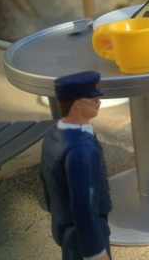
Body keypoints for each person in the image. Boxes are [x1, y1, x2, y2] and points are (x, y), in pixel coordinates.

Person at [40, 71, 112, 260]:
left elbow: (46, 182)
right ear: (78, 105)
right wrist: (95, 253)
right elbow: (84, 206)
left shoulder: (52, 135)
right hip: (86, 234)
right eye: (94, 100)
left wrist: (58, 216)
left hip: (65, 228)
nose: (99, 103)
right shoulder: (82, 150)